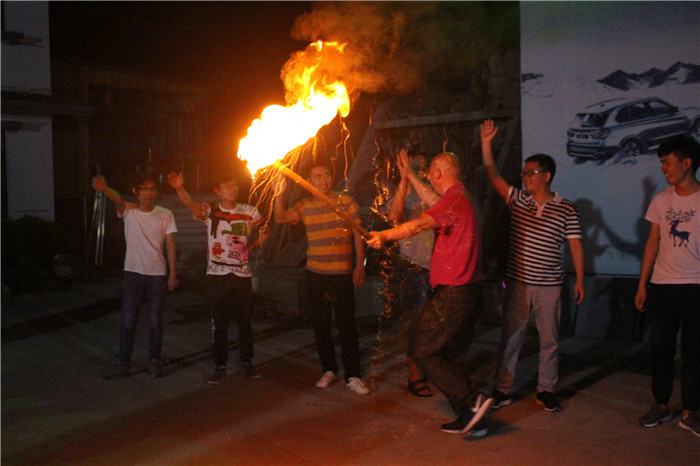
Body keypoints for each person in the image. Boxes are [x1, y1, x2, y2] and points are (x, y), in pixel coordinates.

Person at [367, 150, 491, 436]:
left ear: (436, 173)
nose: (428, 182)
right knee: (450, 356)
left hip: (454, 293)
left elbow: (421, 222)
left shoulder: (454, 198)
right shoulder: (461, 196)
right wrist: (409, 176)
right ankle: (473, 418)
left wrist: (384, 236)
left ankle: (474, 402)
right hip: (468, 291)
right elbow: (431, 201)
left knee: (424, 351)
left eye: (428, 175)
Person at [480, 119, 585, 412]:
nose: (526, 177)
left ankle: (546, 389)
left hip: (550, 284)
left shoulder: (566, 208)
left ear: (547, 176)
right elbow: (492, 174)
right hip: (518, 282)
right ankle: (502, 389)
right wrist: (487, 143)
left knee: (550, 340)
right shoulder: (518, 200)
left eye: (532, 173)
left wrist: (579, 280)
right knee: (511, 337)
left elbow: (575, 244)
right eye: (525, 173)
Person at [273, 162, 370, 395]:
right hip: (315, 274)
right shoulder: (305, 206)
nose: (324, 180)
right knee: (321, 325)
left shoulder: (346, 202)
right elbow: (281, 218)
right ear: (309, 181)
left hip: (342, 274)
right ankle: (328, 370)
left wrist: (359, 266)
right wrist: (279, 194)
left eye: (326, 174)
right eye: (317, 177)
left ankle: (353, 376)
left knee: (347, 326)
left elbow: (358, 234)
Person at [167, 172, 268, 384]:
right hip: (217, 273)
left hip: (242, 274)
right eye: (227, 185)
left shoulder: (249, 211)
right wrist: (179, 188)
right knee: (219, 322)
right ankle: (220, 364)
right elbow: (191, 205)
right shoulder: (211, 211)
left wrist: (252, 245)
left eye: (234, 185)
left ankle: (247, 362)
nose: (233, 189)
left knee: (245, 321)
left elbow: (266, 230)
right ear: (217, 191)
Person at [634, 134, 700, 438]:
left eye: (668, 162)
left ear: (687, 163)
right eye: (662, 162)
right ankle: (660, 405)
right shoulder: (661, 200)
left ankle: (691, 411)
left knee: (693, 352)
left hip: (696, 286)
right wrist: (642, 284)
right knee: (660, 348)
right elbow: (652, 243)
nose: (664, 168)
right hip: (663, 285)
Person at [93, 174, 178, 379]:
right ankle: (123, 362)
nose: (148, 193)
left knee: (155, 320)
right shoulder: (129, 211)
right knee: (128, 320)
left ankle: (154, 361)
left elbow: (170, 245)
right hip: (133, 273)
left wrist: (173, 272)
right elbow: (116, 199)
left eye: (151, 189)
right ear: (136, 192)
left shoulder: (165, 214)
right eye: (143, 189)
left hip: (157, 274)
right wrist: (105, 189)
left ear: (156, 192)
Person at [386, 150, 435, 397]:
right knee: (417, 324)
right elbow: (393, 217)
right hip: (413, 268)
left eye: (424, 166)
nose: (420, 170)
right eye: (414, 166)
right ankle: (414, 375)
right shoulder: (405, 195)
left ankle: (433, 370)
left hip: (437, 268)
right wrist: (404, 180)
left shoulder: (434, 193)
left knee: (435, 325)